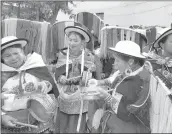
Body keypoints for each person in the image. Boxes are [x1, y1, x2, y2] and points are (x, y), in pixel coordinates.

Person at [87, 41, 151, 133]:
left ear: (131, 62)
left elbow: (124, 112)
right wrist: (98, 82)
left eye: (117, 60)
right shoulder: (129, 73)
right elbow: (112, 80)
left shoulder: (136, 82)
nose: (114, 64)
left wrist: (106, 97)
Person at [1, 36, 58, 133]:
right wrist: (1, 117)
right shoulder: (2, 74)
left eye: (16, 53)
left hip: (38, 120)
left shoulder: (35, 66)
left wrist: (43, 85)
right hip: (8, 122)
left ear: (23, 52)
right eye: (7, 56)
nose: (13, 58)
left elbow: (50, 84)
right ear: (2, 59)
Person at [54, 25, 101, 133]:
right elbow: (57, 72)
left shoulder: (89, 56)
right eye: (70, 40)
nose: (71, 43)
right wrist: (60, 77)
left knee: (77, 125)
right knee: (63, 121)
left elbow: (94, 79)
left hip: (81, 96)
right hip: (64, 94)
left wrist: (88, 75)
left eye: (75, 40)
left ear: (83, 42)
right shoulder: (62, 54)